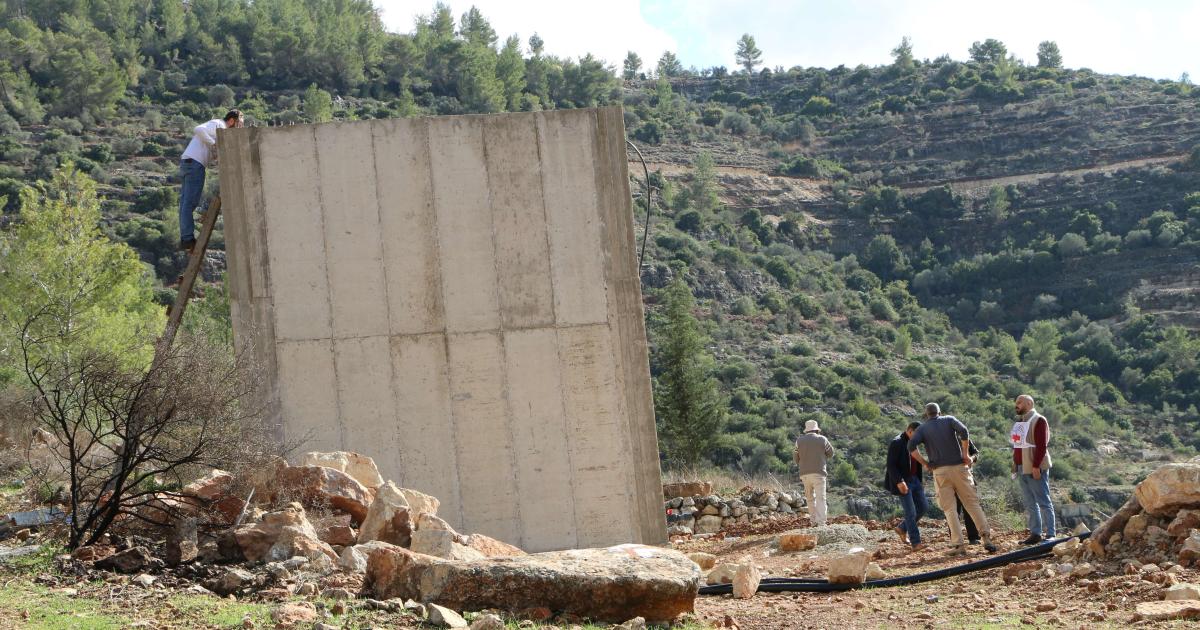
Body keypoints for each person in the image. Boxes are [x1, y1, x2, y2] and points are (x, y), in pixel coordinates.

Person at [908, 403, 997, 554]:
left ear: (926, 414)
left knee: (950, 509)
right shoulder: (949, 420)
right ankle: (986, 538)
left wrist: (925, 463)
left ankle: (958, 545)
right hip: (960, 468)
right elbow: (964, 431)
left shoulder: (922, 428)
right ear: (939, 412)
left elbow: (911, 446)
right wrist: (965, 454)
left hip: (940, 471)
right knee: (972, 504)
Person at [178, 109, 243, 251]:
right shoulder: (219, 124)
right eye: (239, 124)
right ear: (231, 121)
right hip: (195, 164)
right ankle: (187, 239)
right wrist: (214, 144)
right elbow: (198, 129)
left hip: (188, 163)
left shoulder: (220, 127)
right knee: (189, 203)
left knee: (185, 204)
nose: (239, 127)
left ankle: (185, 238)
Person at [1012, 394, 1056, 544]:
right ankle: (1036, 534)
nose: (1016, 405)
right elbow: (1017, 446)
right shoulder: (1020, 422)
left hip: (1034, 467)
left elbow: (1042, 446)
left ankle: (1051, 534)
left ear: (1029, 404)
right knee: (1030, 503)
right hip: (1021, 468)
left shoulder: (1039, 420)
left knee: (1044, 501)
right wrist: (1015, 466)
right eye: (1016, 402)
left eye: (1019, 402)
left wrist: (1036, 466)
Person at [886, 421, 928, 551]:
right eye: (917, 434)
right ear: (909, 431)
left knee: (923, 507)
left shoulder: (913, 442)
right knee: (910, 512)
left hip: (915, 480)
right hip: (903, 481)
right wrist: (899, 481)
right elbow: (891, 465)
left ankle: (902, 528)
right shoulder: (897, 442)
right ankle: (916, 543)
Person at [795, 419, 834, 526]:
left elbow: (796, 458)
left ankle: (813, 521)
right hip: (819, 473)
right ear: (817, 430)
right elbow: (831, 453)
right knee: (821, 497)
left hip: (804, 474)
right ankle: (820, 522)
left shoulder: (799, 441)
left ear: (806, 430)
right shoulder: (822, 439)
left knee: (810, 498)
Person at [955, 439, 981, 545]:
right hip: (951, 480)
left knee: (970, 508)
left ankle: (973, 537)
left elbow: (976, 453)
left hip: (967, 477)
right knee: (953, 510)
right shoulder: (942, 440)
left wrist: (971, 458)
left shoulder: (963, 437)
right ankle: (956, 540)